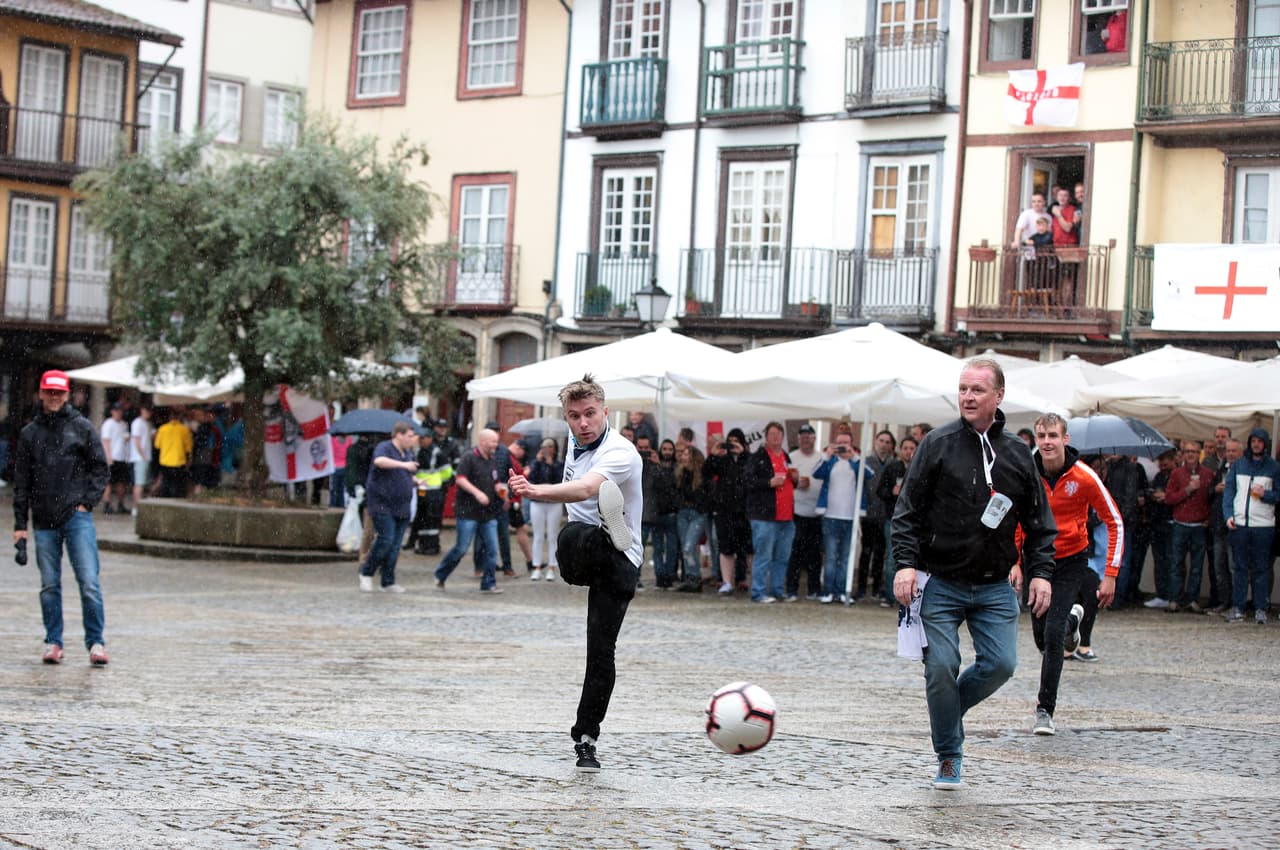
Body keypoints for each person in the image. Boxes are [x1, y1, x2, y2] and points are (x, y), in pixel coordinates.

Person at [891, 358, 1056, 790]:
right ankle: (949, 755)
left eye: (977, 390)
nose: (967, 396)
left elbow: (1041, 525)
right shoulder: (937, 443)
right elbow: (906, 512)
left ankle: (946, 712)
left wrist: (1041, 574)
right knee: (941, 667)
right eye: (963, 388)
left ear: (998, 396)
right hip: (939, 581)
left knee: (1002, 664)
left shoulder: (1020, 455)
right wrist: (905, 564)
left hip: (994, 585)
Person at [507, 374, 642, 772]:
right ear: (567, 419)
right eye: (574, 417)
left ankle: (586, 738)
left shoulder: (622, 452)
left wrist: (535, 491)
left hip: (621, 561)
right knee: (572, 540)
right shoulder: (573, 442)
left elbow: (585, 489)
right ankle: (604, 530)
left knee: (600, 652)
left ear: (605, 412)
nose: (583, 423)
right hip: (585, 557)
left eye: (590, 415)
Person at [1018, 415, 1122, 736]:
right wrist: (1014, 561)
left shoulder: (1085, 477)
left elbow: (1114, 521)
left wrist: (1110, 574)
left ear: (1065, 439)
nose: (1046, 441)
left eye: (1053, 435)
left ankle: (1044, 710)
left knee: (1052, 638)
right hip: (1038, 562)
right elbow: (1014, 518)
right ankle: (1073, 622)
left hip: (1071, 560)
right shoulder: (1026, 474)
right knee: (1041, 636)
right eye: (1041, 436)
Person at [12, 370, 111, 666]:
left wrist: (87, 502)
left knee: (89, 581)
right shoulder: (30, 433)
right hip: (43, 519)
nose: (54, 397)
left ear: (67, 395)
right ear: (41, 394)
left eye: (59, 393)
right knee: (49, 585)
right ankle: (53, 641)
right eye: (49, 392)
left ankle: (96, 642)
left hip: (76, 516)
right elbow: (22, 482)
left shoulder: (81, 428)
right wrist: (20, 526)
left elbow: (100, 468)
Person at [434, 428, 503, 593]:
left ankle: (488, 583)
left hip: (488, 513)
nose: (496, 444)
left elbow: (495, 481)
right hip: (468, 512)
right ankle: (440, 575)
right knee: (461, 548)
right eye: (493, 441)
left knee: (492, 549)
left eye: (496, 441)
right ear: (483, 441)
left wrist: (501, 489)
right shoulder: (469, 457)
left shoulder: (492, 460)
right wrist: (477, 493)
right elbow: (460, 479)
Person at [1223, 428, 1279, 624]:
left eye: (1260, 441)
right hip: (1240, 524)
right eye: (1253, 441)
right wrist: (1228, 515)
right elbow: (1229, 493)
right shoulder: (1239, 465)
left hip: (1263, 525)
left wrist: (1266, 495)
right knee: (1240, 567)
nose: (1256, 444)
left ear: (1265, 444)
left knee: (1261, 568)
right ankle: (1238, 606)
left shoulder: (1274, 467)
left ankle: (1260, 607)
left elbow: (1278, 495)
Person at [814, 430, 874, 605]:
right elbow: (816, 473)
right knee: (831, 556)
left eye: (845, 443)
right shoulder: (830, 461)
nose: (842, 446)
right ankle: (828, 590)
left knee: (846, 556)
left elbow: (869, 474)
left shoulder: (856, 461)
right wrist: (827, 455)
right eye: (839, 442)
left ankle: (841, 590)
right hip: (831, 516)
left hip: (850, 518)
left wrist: (853, 456)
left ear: (851, 443)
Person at [358, 421, 418, 594]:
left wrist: (415, 481)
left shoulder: (407, 453)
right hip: (382, 503)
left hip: (402, 506)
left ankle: (388, 580)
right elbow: (379, 461)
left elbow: (403, 474)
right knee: (386, 539)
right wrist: (404, 465)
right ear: (398, 435)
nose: (412, 439)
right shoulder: (384, 447)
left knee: (395, 545)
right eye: (409, 436)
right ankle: (366, 572)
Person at [745, 422, 795, 604]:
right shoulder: (758, 457)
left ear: (782, 437)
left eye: (778, 434)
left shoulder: (786, 457)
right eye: (772, 434)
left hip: (786, 516)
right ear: (766, 437)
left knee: (782, 556)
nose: (775, 437)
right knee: (763, 555)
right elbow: (748, 482)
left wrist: (796, 481)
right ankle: (758, 592)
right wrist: (768, 483)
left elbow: (788, 481)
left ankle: (777, 590)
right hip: (764, 515)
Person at [1164, 440, 1214, 613]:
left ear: (1199, 453)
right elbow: (1169, 499)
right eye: (1187, 451)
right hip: (1180, 524)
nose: (1190, 455)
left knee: (1197, 566)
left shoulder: (1208, 474)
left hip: (1199, 525)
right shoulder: (1177, 473)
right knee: (1176, 563)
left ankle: (1192, 599)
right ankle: (1174, 598)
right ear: (1183, 454)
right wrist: (1187, 490)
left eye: (1194, 451)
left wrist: (1208, 518)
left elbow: (1211, 500)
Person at [705, 428, 753, 595]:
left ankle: (744, 579)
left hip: (744, 511)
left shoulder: (748, 459)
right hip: (724, 510)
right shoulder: (721, 459)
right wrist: (713, 454)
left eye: (736, 441)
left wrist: (743, 455)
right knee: (726, 547)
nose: (732, 445)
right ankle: (727, 581)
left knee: (746, 548)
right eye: (729, 441)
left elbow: (750, 475)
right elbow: (706, 473)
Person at [876, 436, 917, 607]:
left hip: (915, 521)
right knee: (894, 557)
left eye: (912, 448)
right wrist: (892, 492)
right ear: (900, 450)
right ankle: (890, 594)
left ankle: (909, 594)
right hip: (893, 518)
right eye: (905, 448)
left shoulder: (920, 466)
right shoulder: (892, 466)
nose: (909, 451)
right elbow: (880, 491)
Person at [856, 430, 896, 601]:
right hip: (869, 514)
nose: (884, 444)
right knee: (866, 552)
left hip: (885, 515)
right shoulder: (866, 462)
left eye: (888, 442)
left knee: (880, 553)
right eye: (882, 440)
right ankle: (861, 587)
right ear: (875, 441)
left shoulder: (893, 464)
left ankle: (876, 587)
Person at [786, 423, 824, 601]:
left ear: (814, 439)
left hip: (817, 513)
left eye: (809, 437)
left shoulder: (821, 457)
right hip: (797, 512)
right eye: (802, 437)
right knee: (795, 553)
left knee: (814, 554)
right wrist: (796, 484)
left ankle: (814, 589)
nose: (805, 440)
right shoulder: (791, 457)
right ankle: (792, 589)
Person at [636, 435, 678, 589]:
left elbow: (667, 486)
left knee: (660, 548)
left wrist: (657, 465)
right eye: (640, 448)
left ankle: (663, 578)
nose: (643, 451)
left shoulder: (657, 466)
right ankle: (635, 577)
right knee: (638, 548)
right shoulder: (633, 462)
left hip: (655, 513)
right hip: (640, 514)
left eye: (646, 448)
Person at [1142, 449, 1178, 608]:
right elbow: (1151, 494)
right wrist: (1152, 496)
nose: (1163, 463)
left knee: (1171, 562)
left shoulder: (1176, 476)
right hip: (1157, 524)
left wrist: (1166, 497)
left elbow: (1177, 496)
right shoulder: (1158, 476)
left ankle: (1171, 595)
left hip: (1171, 523)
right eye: (1161, 460)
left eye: (1167, 460)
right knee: (1160, 561)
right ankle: (1162, 594)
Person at [527, 438, 565, 581]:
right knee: (537, 535)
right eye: (544, 446)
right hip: (537, 502)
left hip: (553, 503)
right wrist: (537, 462)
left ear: (554, 449)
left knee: (552, 536)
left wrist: (550, 465)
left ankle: (551, 567)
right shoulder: (536, 463)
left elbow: (560, 481)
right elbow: (532, 478)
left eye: (549, 446)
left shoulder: (559, 464)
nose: (546, 449)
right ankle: (536, 567)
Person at [673, 443, 708, 593]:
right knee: (686, 547)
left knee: (689, 546)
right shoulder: (680, 474)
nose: (684, 457)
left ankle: (695, 576)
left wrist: (700, 507)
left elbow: (705, 495)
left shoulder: (702, 476)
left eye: (687, 454)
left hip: (696, 514)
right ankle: (690, 577)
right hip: (683, 513)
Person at [154, 409, 193, 498]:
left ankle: (166, 500)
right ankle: (177, 500)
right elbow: (188, 448)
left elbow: (157, 445)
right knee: (178, 485)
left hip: (165, 460)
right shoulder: (184, 430)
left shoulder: (162, 429)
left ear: (169, 417)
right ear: (179, 417)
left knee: (166, 483)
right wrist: (189, 460)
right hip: (179, 460)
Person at [99, 403, 130, 514]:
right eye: (116, 411)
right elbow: (106, 441)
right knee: (109, 482)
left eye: (120, 411)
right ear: (112, 411)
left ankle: (120, 503)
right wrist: (108, 456)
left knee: (121, 482)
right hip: (112, 457)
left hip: (121, 457)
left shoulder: (124, 424)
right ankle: (107, 504)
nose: (118, 413)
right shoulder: (108, 424)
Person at [128, 403, 155, 517]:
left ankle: (139, 506)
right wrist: (142, 455)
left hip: (146, 457)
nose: (148, 413)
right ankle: (135, 507)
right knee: (139, 484)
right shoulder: (137, 423)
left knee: (142, 484)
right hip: (139, 458)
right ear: (141, 410)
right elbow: (137, 440)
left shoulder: (148, 423)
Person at [190, 407, 223, 495]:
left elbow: (200, 440)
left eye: (200, 415)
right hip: (205, 452)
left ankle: (200, 488)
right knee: (203, 470)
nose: (199, 417)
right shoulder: (208, 426)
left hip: (204, 451)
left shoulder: (207, 427)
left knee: (202, 470)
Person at [330, 433, 351, 509]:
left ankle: (333, 505)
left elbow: (331, 452)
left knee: (334, 488)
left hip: (335, 467)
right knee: (342, 488)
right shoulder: (349, 439)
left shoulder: (333, 440)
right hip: (345, 467)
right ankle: (341, 505)